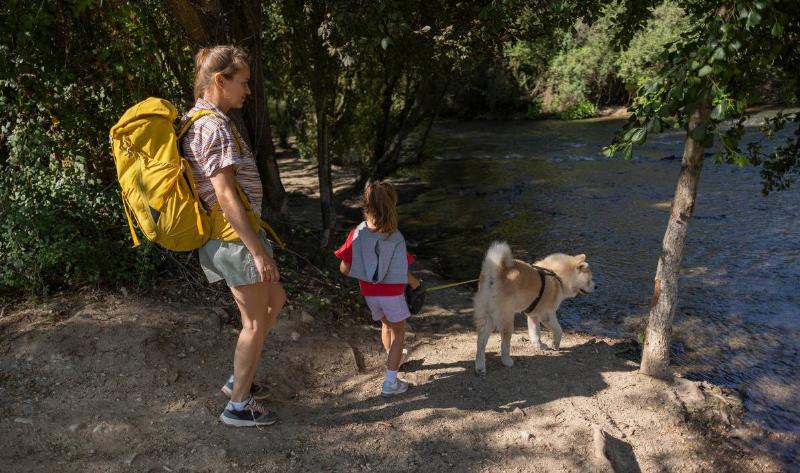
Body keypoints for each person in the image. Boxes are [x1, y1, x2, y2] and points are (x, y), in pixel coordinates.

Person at [180, 45, 285, 427]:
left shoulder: (199, 119)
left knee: (276, 299)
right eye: (243, 83)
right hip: (233, 238)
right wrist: (257, 251)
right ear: (219, 81)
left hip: (233, 237)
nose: (248, 91)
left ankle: (238, 379)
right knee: (254, 323)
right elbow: (224, 194)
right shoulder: (216, 126)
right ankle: (237, 406)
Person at [334, 181, 423, 396]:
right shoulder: (395, 237)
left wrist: (366, 269)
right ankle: (390, 382)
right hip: (392, 295)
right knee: (400, 332)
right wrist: (416, 284)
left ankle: (393, 361)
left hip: (369, 295)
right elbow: (403, 272)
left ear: (366, 205)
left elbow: (344, 268)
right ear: (392, 205)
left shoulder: (358, 233)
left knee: (386, 326)